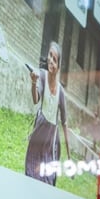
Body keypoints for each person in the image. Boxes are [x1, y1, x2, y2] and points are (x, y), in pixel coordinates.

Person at [25, 41, 71, 185]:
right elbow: (35, 99)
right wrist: (33, 83)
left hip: (51, 141)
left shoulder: (61, 93)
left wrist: (69, 157)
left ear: (58, 66)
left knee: (48, 179)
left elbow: (64, 124)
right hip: (39, 133)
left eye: (55, 59)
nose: (51, 60)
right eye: (50, 56)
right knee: (32, 172)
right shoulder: (42, 76)